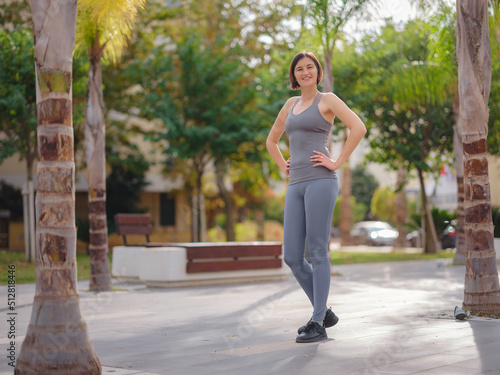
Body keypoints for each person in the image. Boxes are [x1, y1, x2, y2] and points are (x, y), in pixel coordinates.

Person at [266, 51, 366, 343]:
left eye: (310, 67)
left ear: (318, 72)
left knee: (318, 252)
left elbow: (358, 127)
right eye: (299, 69)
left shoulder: (328, 100)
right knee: (293, 258)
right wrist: (281, 163)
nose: (305, 72)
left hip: (321, 181)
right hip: (295, 183)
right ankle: (325, 312)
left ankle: (318, 321)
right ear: (294, 75)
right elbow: (271, 140)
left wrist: (336, 162)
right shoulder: (289, 105)